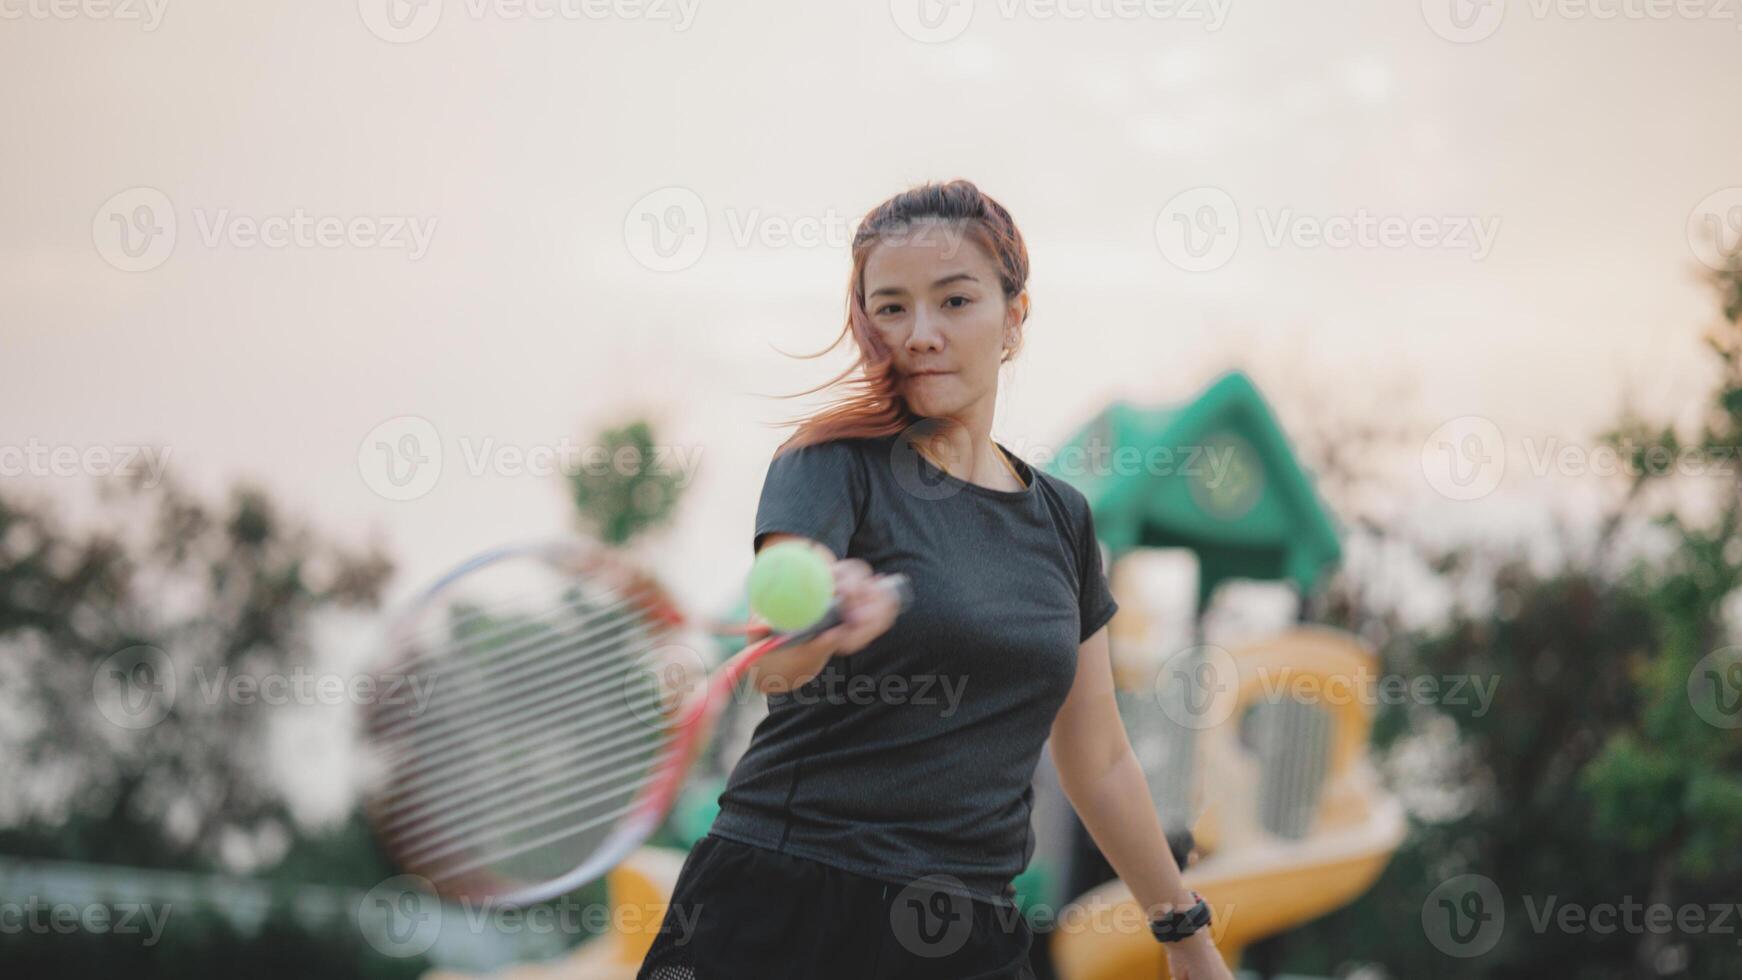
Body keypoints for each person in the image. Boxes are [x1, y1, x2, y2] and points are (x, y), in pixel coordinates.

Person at [637, 180, 1232, 980]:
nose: (920, 334)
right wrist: (824, 616)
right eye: (890, 308)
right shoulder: (826, 463)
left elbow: (1100, 760)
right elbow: (776, 662)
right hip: (782, 906)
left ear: (1013, 318)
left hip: (970, 935)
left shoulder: (1064, 519)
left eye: (954, 301)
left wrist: (1188, 937)